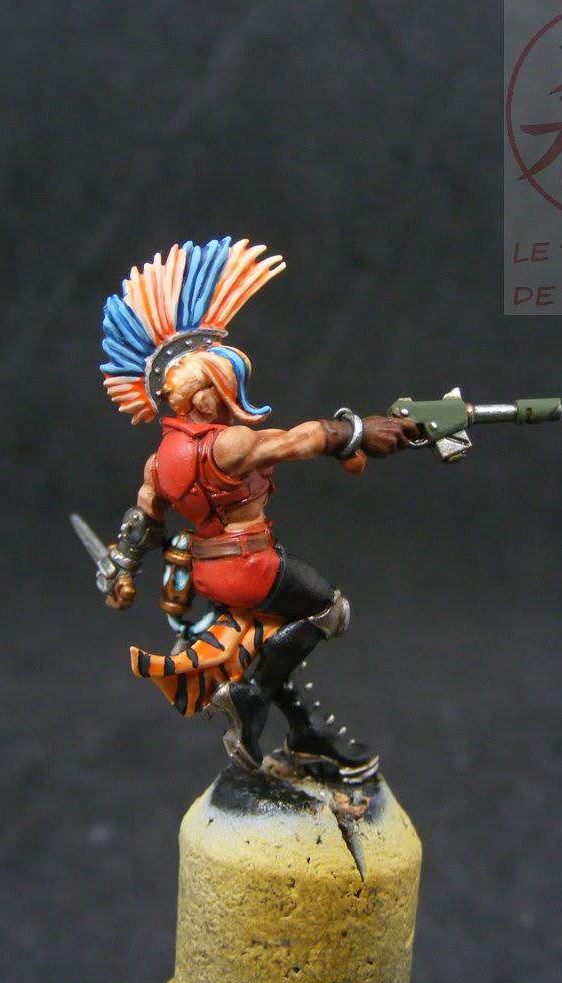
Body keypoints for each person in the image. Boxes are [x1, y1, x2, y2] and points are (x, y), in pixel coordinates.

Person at [97, 236, 418, 781]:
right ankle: (249, 696)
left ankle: (305, 733)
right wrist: (358, 430)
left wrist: (120, 570)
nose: (229, 398)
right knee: (329, 610)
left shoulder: (159, 460)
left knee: (267, 639)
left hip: (209, 572)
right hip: (250, 565)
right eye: (222, 387)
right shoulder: (229, 445)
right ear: (204, 393)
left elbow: (144, 521)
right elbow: (297, 440)